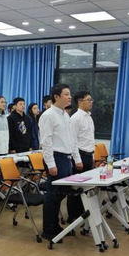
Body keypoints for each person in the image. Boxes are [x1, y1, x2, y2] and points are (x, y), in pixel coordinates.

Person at [39, 84, 82, 240]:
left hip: (66, 158)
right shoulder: (48, 115)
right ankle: (48, 229)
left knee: (60, 194)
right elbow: (46, 142)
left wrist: (77, 158)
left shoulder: (65, 115)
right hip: (56, 158)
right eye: (66, 94)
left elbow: (72, 139)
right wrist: (51, 164)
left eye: (70, 94)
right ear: (56, 97)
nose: (70, 97)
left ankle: (55, 225)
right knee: (53, 195)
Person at [67, 91, 96, 220]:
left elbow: (90, 139)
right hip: (79, 156)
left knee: (85, 187)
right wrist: (77, 160)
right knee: (76, 188)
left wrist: (92, 157)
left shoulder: (89, 117)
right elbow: (72, 141)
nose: (91, 102)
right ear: (80, 102)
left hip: (88, 155)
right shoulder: (75, 118)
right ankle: (73, 216)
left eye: (91, 100)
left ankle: (82, 213)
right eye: (88, 100)